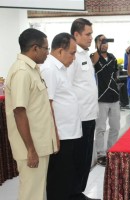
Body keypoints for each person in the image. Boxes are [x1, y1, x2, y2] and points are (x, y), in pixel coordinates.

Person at [5, 28, 58, 200]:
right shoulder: (22, 72)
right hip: (31, 147)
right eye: (46, 49)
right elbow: (19, 112)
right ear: (35, 48)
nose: (47, 53)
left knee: (38, 192)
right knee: (31, 195)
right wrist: (30, 150)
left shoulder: (32, 69)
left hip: (39, 144)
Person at [40, 33, 81, 200]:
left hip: (69, 132)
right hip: (61, 135)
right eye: (72, 53)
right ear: (59, 51)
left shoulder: (60, 68)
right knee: (58, 180)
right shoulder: (49, 70)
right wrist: (54, 135)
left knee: (66, 178)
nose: (74, 57)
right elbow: (47, 105)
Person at [68, 18, 99, 200]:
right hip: (79, 117)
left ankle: (79, 192)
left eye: (91, 34)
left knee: (86, 158)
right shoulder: (73, 57)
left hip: (89, 114)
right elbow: (68, 87)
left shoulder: (85, 54)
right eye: (88, 34)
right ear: (76, 34)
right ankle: (75, 194)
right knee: (79, 158)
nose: (90, 37)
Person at [93, 34, 120, 167]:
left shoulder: (113, 57)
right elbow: (92, 64)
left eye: (106, 41)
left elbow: (115, 74)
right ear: (96, 43)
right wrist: (97, 49)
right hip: (100, 98)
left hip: (114, 96)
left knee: (115, 127)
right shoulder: (94, 57)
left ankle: (112, 151)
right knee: (101, 128)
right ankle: (100, 154)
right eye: (101, 41)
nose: (104, 44)